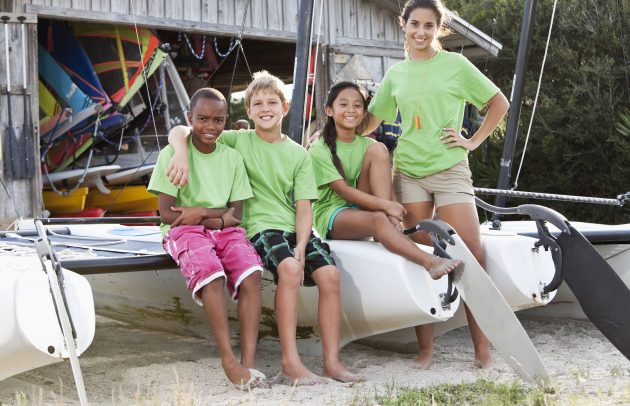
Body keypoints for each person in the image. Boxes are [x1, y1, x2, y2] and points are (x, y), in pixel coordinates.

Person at [165, 71, 362, 384]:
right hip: (258, 228)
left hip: (294, 229)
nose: (265, 107)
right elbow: (184, 130)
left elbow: (303, 208)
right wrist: (179, 152)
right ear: (249, 111)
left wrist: (301, 247)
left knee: (330, 275)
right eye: (257, 103)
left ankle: (331, 362)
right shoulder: (236, 140)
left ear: (284, 107)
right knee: (287, 269)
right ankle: (290, 362)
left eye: (272, 101)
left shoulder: (299, 154)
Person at [364, 0, 510, 369]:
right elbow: (372, 122)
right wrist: (332, 137)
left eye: (429, 26)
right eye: (415, 24)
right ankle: (426, 349)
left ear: (438, 29)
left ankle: (483, 350)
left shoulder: (456, 65)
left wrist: (472, 141)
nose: (421, 32)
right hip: (409, 171)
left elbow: (499, 102)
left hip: (449, 168)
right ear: (405, 25)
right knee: (418, 252)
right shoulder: (395, 74)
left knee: (472, 254)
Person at [147, 87, 267, 390]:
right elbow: (166, 214)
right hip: (183, 231)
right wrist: (212, 216)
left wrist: (201, 212)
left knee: (252, 273)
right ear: (190, 118)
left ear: (226, 120)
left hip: (221, 228)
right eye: (202, 119)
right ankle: (228, 360)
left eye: (218, 120)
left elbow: (236, 213)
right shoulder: (172, 156)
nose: (210, 127)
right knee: (211, 274)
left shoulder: (232, 158)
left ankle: (248, 363)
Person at [309, 81, 461, 279]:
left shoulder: (367, 145)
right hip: (332, 215)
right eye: (343, 104)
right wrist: (386, 206)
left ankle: (388, 224)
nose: (351, 110)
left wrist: (393, 210)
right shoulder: (319, 148)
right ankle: (429, 262)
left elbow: (384, 185)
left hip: (362, 206)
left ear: (364, 113)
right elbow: (343, 191)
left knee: (379, 149)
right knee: (379, 218)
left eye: (357, 106)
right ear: (329, 110)